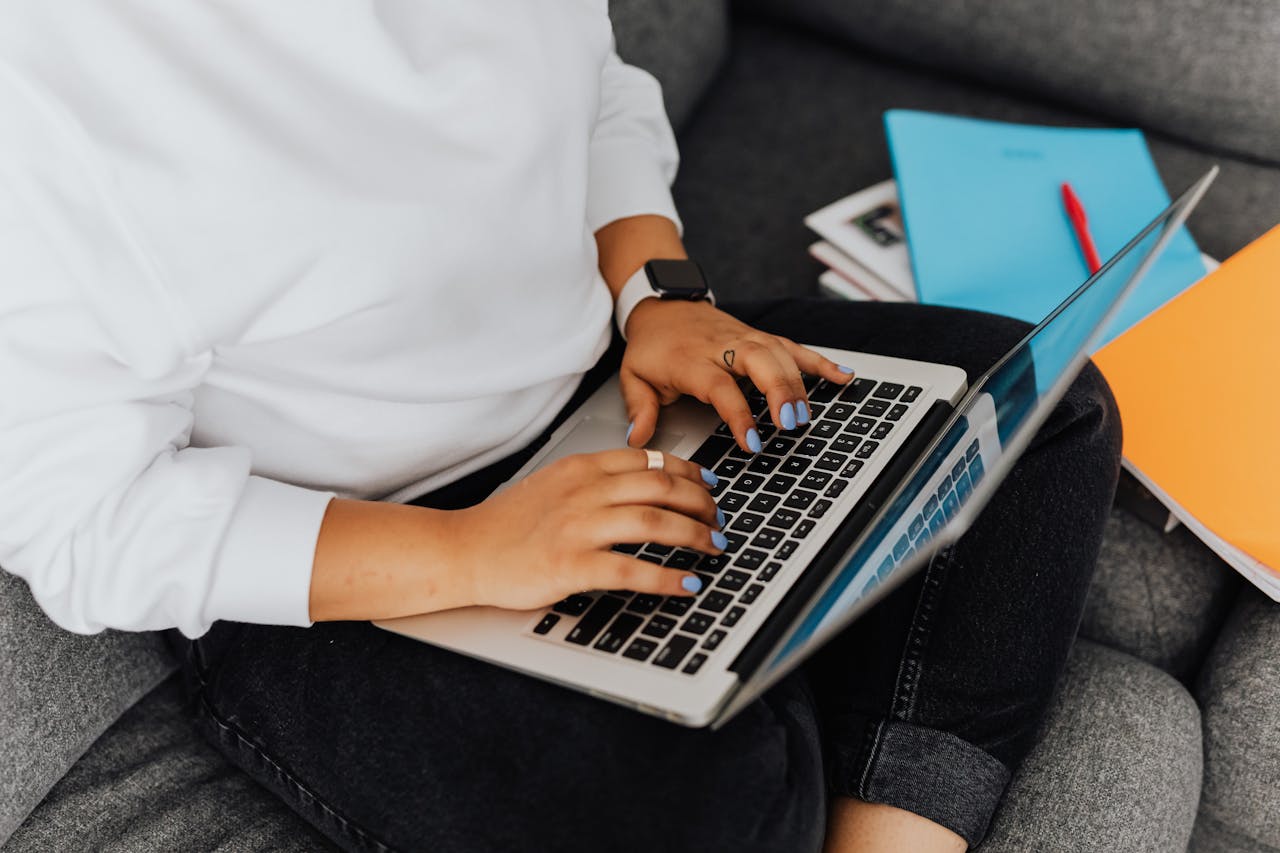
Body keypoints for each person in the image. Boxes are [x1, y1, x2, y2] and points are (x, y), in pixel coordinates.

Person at [0, 5, 1121, 851]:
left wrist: (660, 296)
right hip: (362, 559)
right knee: (700, 802)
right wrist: (470, 553)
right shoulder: (48, 91)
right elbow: (86, 523)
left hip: (613, 395)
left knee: (1031, 406)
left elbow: (593, 87)